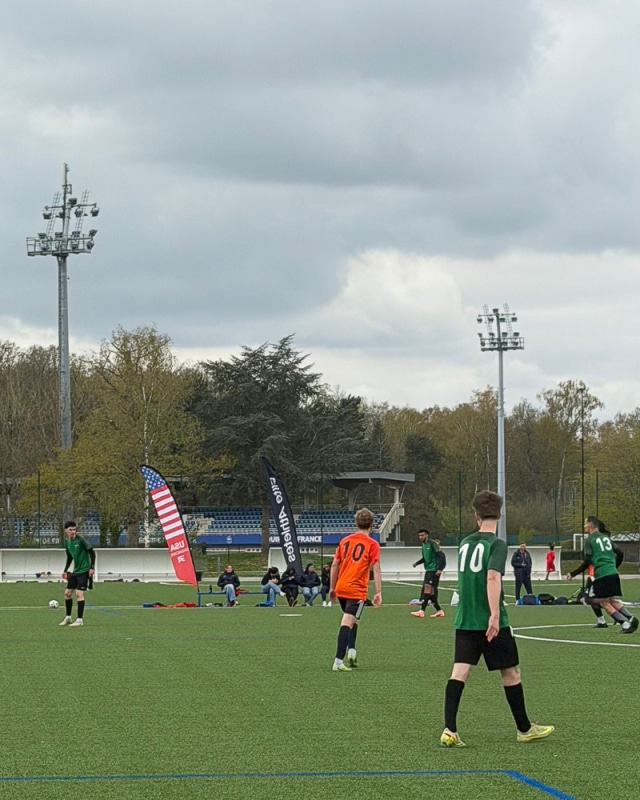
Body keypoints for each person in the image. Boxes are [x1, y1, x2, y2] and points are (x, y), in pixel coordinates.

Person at [440, 490, 554, 747]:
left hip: (465, 618)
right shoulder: (497, 544)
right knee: (511, 672)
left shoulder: (465, 543)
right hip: (492, 620)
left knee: (460, 670)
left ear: (476, 515)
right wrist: (493, 615)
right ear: (499, 515)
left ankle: (450, 729)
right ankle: (524, 729)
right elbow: (492, 577)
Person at [329, 507, 382, 671]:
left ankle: (352, 651)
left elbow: (335, 564)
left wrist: (332, 587)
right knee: (347, 621)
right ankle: (338, 661)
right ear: (372, 524)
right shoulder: (372, 544)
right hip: (356, 590)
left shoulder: (345, 541)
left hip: (341, 587)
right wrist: (378, 591)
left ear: (356, 523)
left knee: (353, 620)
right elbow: (376, 567)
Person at [566, 516, 638, 634]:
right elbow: (619, 553)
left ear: (590, 525)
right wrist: (614, 566)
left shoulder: (590, 540)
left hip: (602, 574)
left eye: (585, 524)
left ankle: (624, 623)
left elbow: (588, 560)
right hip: (613, 572)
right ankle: (631, 618)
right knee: (611, 600)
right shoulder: (606, 538)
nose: (584, 526)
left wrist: (573, 573)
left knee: (601, 601)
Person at [59, 521, 95, 627]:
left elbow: (92, 552)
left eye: (74, 529)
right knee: (67, 593)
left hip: (84, 570)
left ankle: (79, 620)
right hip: (76, 571)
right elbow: (70, 557)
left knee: (79, 594)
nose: (73, 532)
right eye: (70, 530)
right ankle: (68, 618)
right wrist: (65, 570)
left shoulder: (80, 539)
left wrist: (92, 567)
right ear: (65, 530)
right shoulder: (67, 542)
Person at [410, 529, 440, 618]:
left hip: (433, 570)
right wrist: (417, 563)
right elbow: (424, 558)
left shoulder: (432, 543)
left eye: (422, 535)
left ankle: (421, 611)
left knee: (427, 590)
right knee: (430, 593)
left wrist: (439, 568)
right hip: (428, 570)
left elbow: (440, 555)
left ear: (427, 535)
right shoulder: (423, 545)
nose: (420, 537)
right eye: (419, 536)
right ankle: (439, 610)